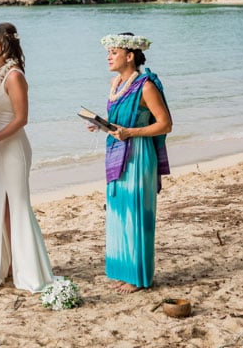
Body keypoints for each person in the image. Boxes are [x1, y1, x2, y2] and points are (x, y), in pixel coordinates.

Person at [0, 23, 54, 293]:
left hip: (13, 148)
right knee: (2, 205)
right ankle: (7, 265)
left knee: (17, 204)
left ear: (3, 44)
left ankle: (28, 269)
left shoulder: (14, 75)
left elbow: (21, 118)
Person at [89, 32, 172, 294]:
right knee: (119, 214)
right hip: (118, 152)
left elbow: (165, 124)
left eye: (114, 52)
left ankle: (138, 277)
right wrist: (102, 125)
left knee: (136, 214)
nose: (109, 56)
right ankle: (124, 271)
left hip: (138, 155)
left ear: (130, 55)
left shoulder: (146, 86)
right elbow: (120, 123)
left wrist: (130, 133)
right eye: (109, 51)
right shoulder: (115, 83)